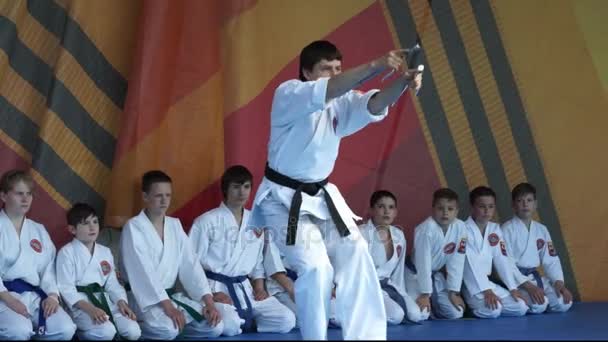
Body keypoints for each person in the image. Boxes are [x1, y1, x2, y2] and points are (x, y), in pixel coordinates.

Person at [249, 40, 422, 340]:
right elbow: (332, 88)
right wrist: (378, 64)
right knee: (316, 269)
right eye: (325, 69)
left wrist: (403, 83)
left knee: (357, 253)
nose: (333, 74)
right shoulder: (288, 94)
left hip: (322, 198)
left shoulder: (341, 103)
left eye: (337, 69)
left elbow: (376, 103)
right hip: (281, 201)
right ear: (306, 72)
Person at [119, 170, 242, 340]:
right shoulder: (133, 227)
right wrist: (169, 307)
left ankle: (178, 328)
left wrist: (209, 303)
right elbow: (143, 273)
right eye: (158, 196)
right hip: (144, 300)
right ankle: (137, 326)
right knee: (168, 330)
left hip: (172, 298)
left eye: (168, 195)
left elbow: (191, 266)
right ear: (145, 196)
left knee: (215, 326)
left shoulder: (174, 226)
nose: (164, 201)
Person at [189, 165, 295, 334]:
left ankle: (245, 320)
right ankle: (238, 321)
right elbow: (191, 265)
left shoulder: (256, 220)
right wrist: (211, 294)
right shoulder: (205, 222)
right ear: (225, 189)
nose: (242, 192)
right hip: (215, 288)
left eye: (246, 187)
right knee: (229, 326)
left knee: (286, 320)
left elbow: (257, 263)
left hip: (246, 289)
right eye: (236, 187)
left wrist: (259, 287)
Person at [0, 169, 76, 340]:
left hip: (33, 296)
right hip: (3, 296)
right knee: (19, 330)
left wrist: (52, 296)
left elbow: (49, 268)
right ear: (3, 196)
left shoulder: (38, 230)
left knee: (65, 328)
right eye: (19, 193)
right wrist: (10, 300)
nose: (26, 199)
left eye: (29, 194)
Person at [56, 203, 141, 340]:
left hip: (105, 301)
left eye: (95, 222)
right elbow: (66, 288)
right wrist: (90, 309)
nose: (92, 227)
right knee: (106, 331)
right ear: (72, 229)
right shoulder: (66, 252)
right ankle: (81, 335)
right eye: (85, 223)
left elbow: (112, 283)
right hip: (80, 307)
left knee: (133, 330)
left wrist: (121, 302)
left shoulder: (105, 252)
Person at [501, 182, 573, 313]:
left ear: (535, 204)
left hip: (535, 277)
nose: (525, 204)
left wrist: (558, 282)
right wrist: (528, 286)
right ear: (513, 205)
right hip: (517, 280)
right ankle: (535, 300)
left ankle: (543, 297)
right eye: (520, 201)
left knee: (564, 303)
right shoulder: (506, 229)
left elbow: (550, 259)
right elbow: (506, 263)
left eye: (529, 200)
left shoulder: (541, 229)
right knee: (539, 305)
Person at [358, 190, 427, 324]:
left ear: (395, 212)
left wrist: (402, 295)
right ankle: (362, 311)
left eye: (391, 207)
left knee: (416, 315)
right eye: (381, 206)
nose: (386, 211)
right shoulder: (360, 233)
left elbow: (398, 272)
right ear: (371, 210)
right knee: (396, 316)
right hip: (366, 285)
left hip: (388, 285)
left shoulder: (398, 235)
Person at [461, 186, 528, 318]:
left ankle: (483, 304)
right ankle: (469, 309)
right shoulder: (462, 229)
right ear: (472, 207)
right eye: (482, 207)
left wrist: (512, 288)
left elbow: (502, 259)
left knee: (521, 307)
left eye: (491, 206)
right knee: (494, 310)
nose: (487, 211)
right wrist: (486, 290)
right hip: (470, 284)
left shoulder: (495, 229)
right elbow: (469, 263)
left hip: (487, 282)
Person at [404, 188, 468, 320]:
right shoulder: (426, 229)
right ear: (433, 209)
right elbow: (423, 263)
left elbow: (457, 260)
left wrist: (453, 291)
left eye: (450, 209)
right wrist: (425, 293)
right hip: (415, 274)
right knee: (420, 315)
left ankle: (435, 300)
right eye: (440, 208)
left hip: (436, 275)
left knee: (457, 312)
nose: (445, 213)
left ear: (457, 211)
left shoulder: (460, 227)